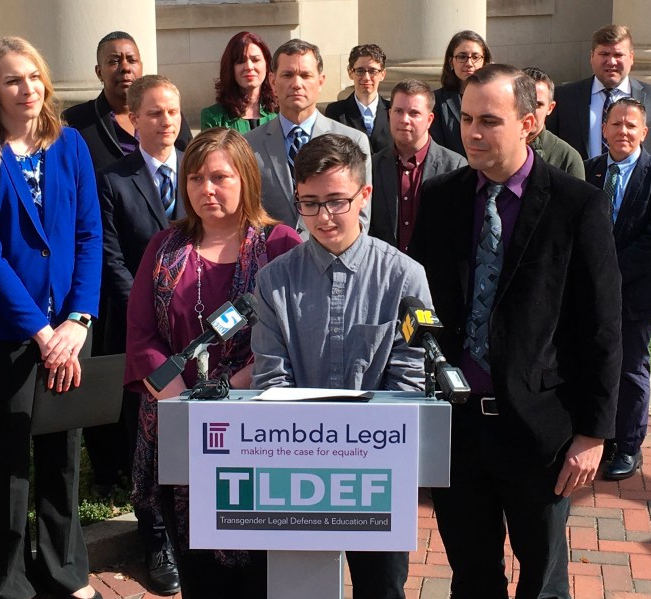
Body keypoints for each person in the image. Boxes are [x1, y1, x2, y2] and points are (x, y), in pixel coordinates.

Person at [409, 64, 622, 599]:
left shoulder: (578, 205)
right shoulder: (440, 198)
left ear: (529, 123)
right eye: (467, 119)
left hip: (541, 432)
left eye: (490, 120)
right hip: (457, 431)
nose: (474, 132)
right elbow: (419, 306)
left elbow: (601, 327)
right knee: (472, 577)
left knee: (544, 581)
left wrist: (594, 433)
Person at [0, 36, 103, 599]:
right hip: (7, 335)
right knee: (7, 461)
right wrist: (39, 332)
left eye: (34, 76)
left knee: (61, 454)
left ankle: (63, 568)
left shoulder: (71, 145)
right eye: (13, 79)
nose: (28, 88)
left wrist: (77, 321)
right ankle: (7, 581)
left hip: (69, 330)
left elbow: (90, 234)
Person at [251, 133, 432, 599]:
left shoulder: (404, 277)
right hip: (297, 470)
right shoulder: (273, 281)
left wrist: (353, 447)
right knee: (301, 588)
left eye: (336, 201)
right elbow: (272, 379)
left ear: (364, 195)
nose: (323, 217)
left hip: (377, 470)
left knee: (382, 588)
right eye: (309, 203)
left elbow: (408, 381)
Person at [125, 127, 301, 598]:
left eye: (220, 177)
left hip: (257, 430)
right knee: (198, 566)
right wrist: (185, 405)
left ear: (246, 178)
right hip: (177, 425)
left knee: (258, 573)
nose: (206, 189)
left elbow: (295, 338)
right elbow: (143, 336)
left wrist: (229, 393)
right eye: (196, 178)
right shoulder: (164, 248)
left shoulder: (280, 245)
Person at [97, 74, 186, 596]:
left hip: (202, 332)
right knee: (145, 439)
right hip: (143, 332)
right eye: (153, 113)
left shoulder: (201, 171)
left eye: (172, 111)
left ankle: (193, 529)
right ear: (132, 120)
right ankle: (155, 537)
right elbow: (111, 258)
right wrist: (154, 314)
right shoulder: (114, 180)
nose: (166, 121)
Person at [584, 97, 651, 480]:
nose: (622, 131)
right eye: (615, 124)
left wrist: (608, 274)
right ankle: (600, 436)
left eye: (630, 126)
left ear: (644, 132)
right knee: (593, 365)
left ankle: (628, 445)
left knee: (629, 370)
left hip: (634, 295)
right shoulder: (588, 173)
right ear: (603, 129)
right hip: (589, 292)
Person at [245, 38, 371, 239]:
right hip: (270, 262)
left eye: (305, 75)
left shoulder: (353, 141)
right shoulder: (249, 145)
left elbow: (361, 219)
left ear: (320, 82)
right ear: (272, 81)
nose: (296, 84)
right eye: (287, 75)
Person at [547, 24, 651, 173]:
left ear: (631, 58)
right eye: (604, 54)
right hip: (580, 191)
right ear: (592, 56)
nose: (611, 62)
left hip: (638, 193)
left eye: (618, 55)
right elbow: (550, 152)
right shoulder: (564, 97)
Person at [62, 30, 193, 171]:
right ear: (99, 72)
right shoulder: (76, 121)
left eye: (132, 60)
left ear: (141, 67)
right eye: (114, 61)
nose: (125, 68)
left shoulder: (168, 117)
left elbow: (189, 164)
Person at [368, 79, 466, 252]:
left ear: (429, 120)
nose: (404, 119)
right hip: (385, 273)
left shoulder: (455, 166)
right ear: (390, 114)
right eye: (398, 111)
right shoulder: (372, 166)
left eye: (414, 113)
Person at [429, 30, 492, 157]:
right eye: (462, 57)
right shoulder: (436, 101)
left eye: (475, 57)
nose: (469, 63)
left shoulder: (494, 98)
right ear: (451, 62)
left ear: (484, 62)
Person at [200, 31, 278, 133]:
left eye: (255, 60)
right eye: (240, 61)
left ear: (267, 65)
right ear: (230, 68)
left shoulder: (281, 112)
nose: (249, 67)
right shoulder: (213, 116)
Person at [324, 44, 392, 154]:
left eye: (373, 71)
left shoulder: (393, 110)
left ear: (382, 74)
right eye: (360, 71)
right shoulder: (336, 112)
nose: (366, 77)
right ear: (351, 73)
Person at [520, 66, 585, 179]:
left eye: (537, 104)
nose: (530, 111)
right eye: (524, 102)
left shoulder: (567, 158)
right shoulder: (493, 148)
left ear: (550, 108)